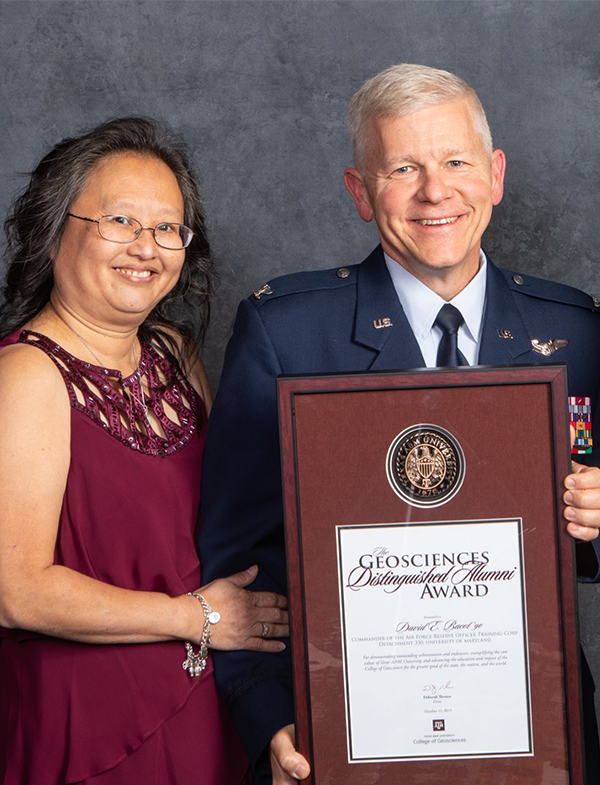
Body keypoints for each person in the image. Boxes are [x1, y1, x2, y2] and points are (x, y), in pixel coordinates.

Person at [199, 64, 600, 783]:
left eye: (455, 162)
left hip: (539, 733)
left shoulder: (576, 330)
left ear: (496, 174)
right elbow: (237, 562)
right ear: (360, 191)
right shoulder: (286, 334)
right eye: (403, 167)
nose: (434, 191)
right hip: (343, 736)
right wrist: (268, 718)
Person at [0, 117, 290, 785]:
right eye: (120, 220)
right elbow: (17, 590)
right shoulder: (26, 375)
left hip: (201, 705)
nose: (146, 246)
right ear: (55, 231)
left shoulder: (172, 353)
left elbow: (226, 525)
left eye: (168, 228)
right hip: (88, 719)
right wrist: (197, 616)